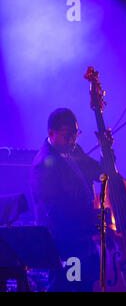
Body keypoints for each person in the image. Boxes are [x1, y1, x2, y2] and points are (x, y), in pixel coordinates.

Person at [30, 108, 112, 291]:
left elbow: (100, 173)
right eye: (68, 136)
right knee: (66, 288)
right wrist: (92, 219)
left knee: (87, 286)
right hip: (64, 246)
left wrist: (106, 150)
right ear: (52, 134)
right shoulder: (44, 165)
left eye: (76, 134)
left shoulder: (72, 150)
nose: (73, 140)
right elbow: (57, 213)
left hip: (82, 240)